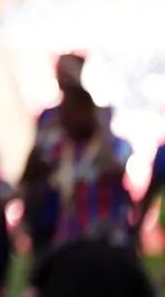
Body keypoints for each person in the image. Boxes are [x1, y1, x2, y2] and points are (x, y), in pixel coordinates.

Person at [21, 86, 132, 251]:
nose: (64, 118)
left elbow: (113, 171)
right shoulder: (61, 147)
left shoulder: (116, 144)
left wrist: (103, 129)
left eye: (69, 111)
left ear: (86, 111)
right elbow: (29, 176)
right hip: (69, 238)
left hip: (106, 240)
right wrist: (43, 133)